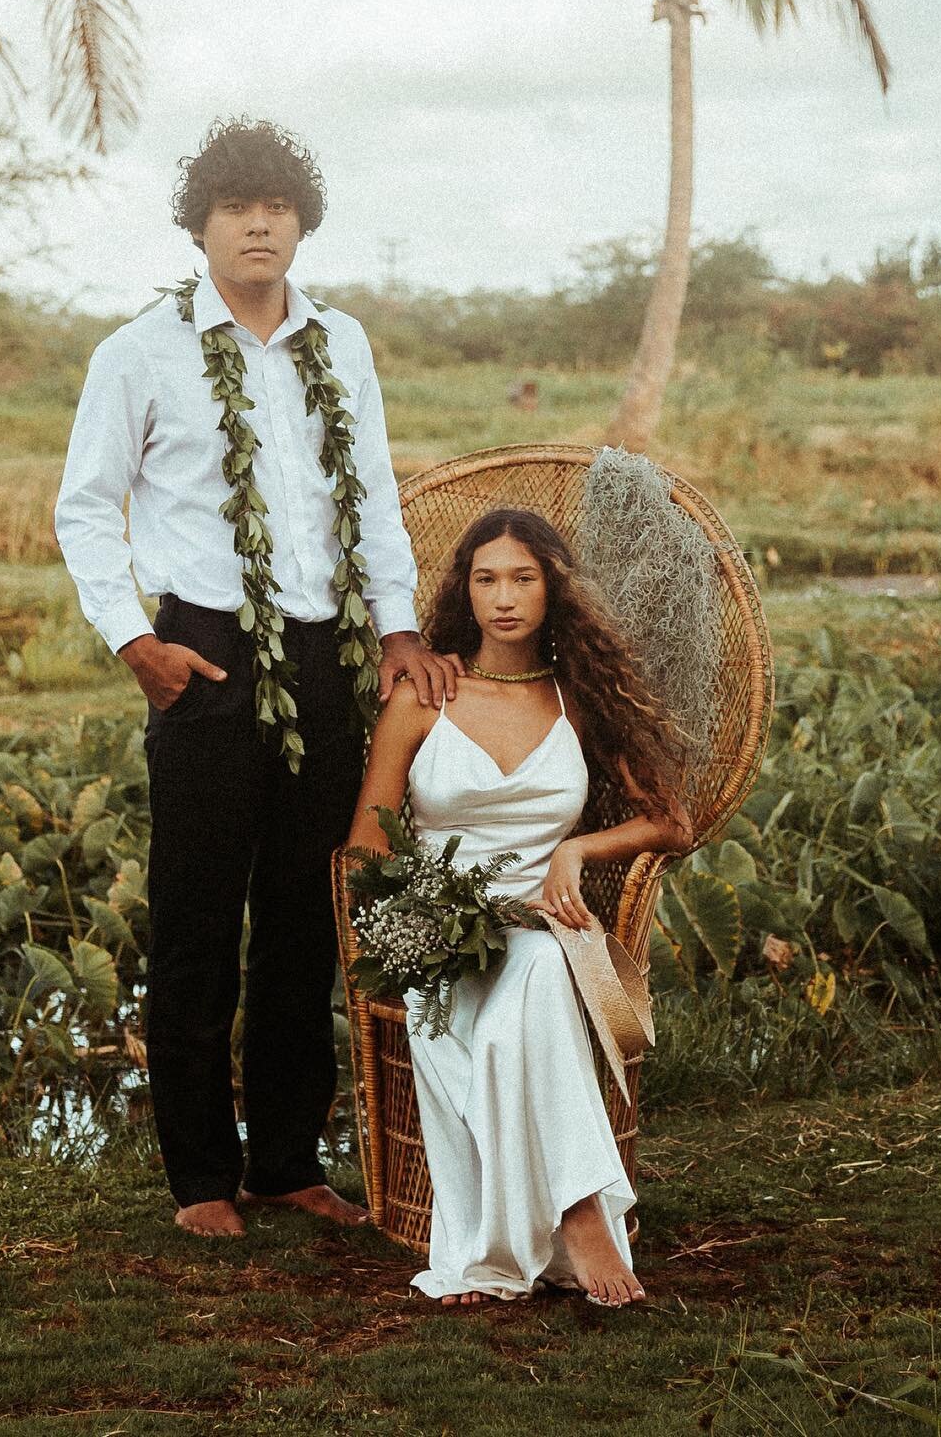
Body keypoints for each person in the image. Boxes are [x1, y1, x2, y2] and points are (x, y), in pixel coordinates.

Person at [55, 117, 459, 1241]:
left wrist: (394, 632)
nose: (260, 225)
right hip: (205, 652)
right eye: (237, 208)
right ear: (201, 225)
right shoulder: (140, 351)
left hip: (326, 659)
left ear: (301, 224)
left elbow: (371, 496)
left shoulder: (344, 345)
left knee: (302, 918)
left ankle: (287, 1162)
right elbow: (89, 505)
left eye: (278, 208)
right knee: (195, 921)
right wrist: (135, 640)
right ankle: (200, 1181)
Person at [346, 506, 693, 1307]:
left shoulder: (577, 699)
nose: (504, 597)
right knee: (500, 1004)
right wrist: (414, 922)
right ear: (464, 593)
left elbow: (669, 819)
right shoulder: (424, 698)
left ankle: (530, 1237)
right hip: (440, 934)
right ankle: (578, 1214)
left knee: (533, 970)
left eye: (524, 579)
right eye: (486, 579)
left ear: (553, 591)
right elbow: (367, 844)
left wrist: (575, 850)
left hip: (549, 929)